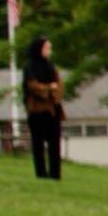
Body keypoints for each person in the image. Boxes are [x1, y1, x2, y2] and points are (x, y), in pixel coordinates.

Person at [22, 37, 64, 181]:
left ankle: (55, 174)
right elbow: (33, 87)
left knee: (55, 143)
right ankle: (41, 173)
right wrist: (47, 88)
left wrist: (55, 92)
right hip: (37, 110)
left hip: (53, 110)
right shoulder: (30, 68)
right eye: (47, 48)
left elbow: (59, 86)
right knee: (38, 143)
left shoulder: (51, 68)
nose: (49, 51)